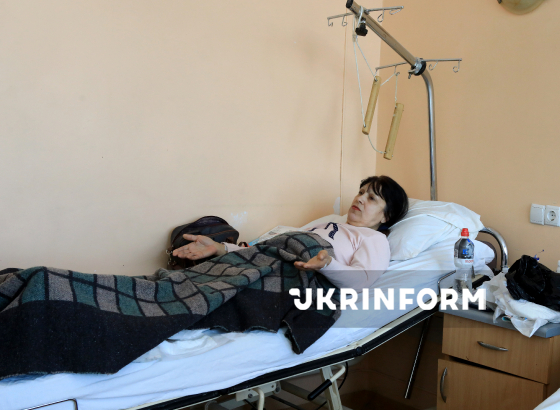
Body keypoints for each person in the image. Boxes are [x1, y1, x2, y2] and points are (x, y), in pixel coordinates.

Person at [173, 175, 408, 291]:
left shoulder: (374, 239)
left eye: (371, 198)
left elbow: (363, 279)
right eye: (361, 192)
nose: (360, 198)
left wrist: (327, 265)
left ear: (386, 216)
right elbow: (269, 250)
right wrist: (221, 248)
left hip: (289, 276)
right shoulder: (325, 224)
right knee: (181, 282)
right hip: (260, 263)